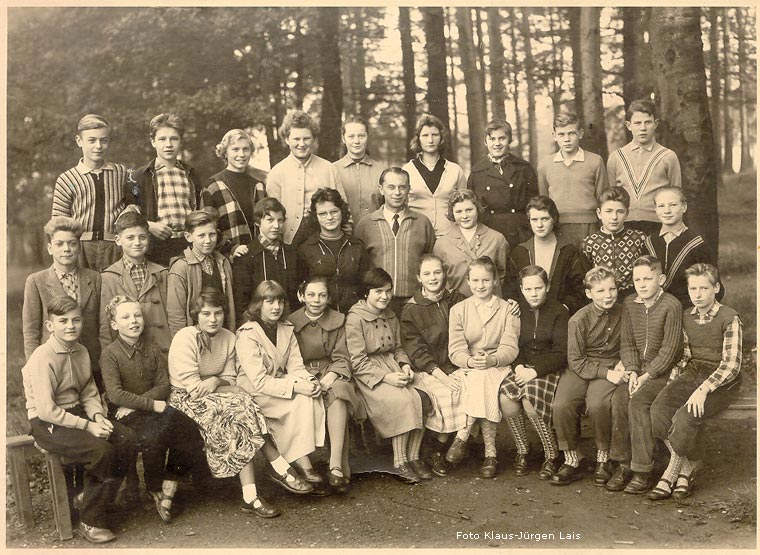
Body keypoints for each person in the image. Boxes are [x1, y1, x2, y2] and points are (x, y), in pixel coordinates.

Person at [168, 288, 313, 519]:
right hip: (186, 399)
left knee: (244, 405)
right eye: (206, 314)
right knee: (239, 409)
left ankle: (251, 494)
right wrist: (222, 384)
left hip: (220, 395)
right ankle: (278, 467)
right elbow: (195, 389)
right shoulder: (185, 337)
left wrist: (216, 381)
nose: (213, 319)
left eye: (218, 313)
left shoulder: (228, 337)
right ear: (196, 315)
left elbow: (230, 378)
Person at [22, 296, 136, 543]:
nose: (70, 326)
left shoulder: (81, 350)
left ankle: (91, 498)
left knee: (127, 438)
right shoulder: (43, 357)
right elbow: (46, 410)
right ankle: (90, 522)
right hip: (47, 423)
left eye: (75, 320)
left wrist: (97, 416)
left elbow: (88, 391)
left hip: (78, 414)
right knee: (101, 451)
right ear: (50, 325)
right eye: (63, 321)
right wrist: (88, 426)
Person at [100, 296, 206, 523]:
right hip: (122, 415)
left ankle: (170, 483)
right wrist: (146, 404)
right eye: (125, 317)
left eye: (137, 315)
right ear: (114, 324)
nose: (133, 321)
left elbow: (163, 385)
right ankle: (154, 487)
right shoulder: (110, 354)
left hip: (146, 408)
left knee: (188, 428)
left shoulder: (152, 348)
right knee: (154, 436)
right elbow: (115, 394)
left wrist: (140, 403)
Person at [649, 264, 743, 501]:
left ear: (716, 288)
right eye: (693, 289)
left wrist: (703, 390)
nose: (698, 294)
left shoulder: (729, 317)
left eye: (704, 288)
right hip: (694, 372)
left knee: (686, 416)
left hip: (722, 382)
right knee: (659, 410)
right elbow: (685, 358)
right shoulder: (686, 317)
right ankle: (688, 464)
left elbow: (731, 365)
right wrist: (673, 385)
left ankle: (673, 473)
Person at [235, 281, 327, 490]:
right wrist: (296, 387)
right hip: (254, 389)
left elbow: (295, 365)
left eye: (280, 301)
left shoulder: (285, 328)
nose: (276, 307)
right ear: (258, 304)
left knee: (309, 396)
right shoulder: (248, 332)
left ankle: (300, 457)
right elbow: (258, 380)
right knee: (296, 402)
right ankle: (297, 461)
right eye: (269, 301)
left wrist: (309, 381)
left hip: (278, 382)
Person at [606, 255, 683, 494]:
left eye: (648, 279)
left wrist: (646, 375)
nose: (642, 284)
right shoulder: (630, 303)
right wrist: (630, 371)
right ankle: (623, 464)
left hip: (661, 373)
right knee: (619, 399)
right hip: (636, 371)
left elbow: (670, 350)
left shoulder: (671, 305)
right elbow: (627, 343)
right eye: (637, 279)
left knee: (638, 403)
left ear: (660, 279)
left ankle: (642, 470)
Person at [345, 268, 426, 483]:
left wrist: (405, 365)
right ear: (366, 292)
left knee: (423, 395)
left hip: (392, 365)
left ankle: (413, 456)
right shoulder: (356, 318)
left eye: (388, 291)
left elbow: (398, 347)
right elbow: (357, 361)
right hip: (369, 374)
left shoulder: (390, 314)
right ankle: (399, 462)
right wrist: (386, 377)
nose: (384, 296)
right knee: (400, 400)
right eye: (378, 291)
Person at [446, 257, 520, 479]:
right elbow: (456, 349)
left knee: (484, 377)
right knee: (480, 377)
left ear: (495, 281)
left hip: (498, 366)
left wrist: (492, 360)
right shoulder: (459, 310)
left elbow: (510, 347)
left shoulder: (508, 309)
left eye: (486, 280)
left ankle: (462, 436)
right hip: (470, 366)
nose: (480, 285)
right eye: (475, 280)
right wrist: (470, 361)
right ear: (468, 281)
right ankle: (491, 453)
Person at [289, 277, 364, 492]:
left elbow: (343, 356)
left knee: (338, 392)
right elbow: (290, 359)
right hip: (301, 372)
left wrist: (332, 375)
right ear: (301, 296)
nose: (316, 300)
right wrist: (306, 378)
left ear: (329, 298)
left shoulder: (339, 320)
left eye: (322, 295)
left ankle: (336, 465)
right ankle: (307, 467)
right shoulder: (290, 322)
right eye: (311, 295)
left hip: (331, 370)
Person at [550, 266, 622, 486]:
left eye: (612, 289)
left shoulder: (624, 312)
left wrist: (619, 366)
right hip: (582, 366)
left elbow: (630, 345)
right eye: (600, 291)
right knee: (561, 404)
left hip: (611, 364)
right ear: (589, 293)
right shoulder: (579, 320)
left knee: (598, 403)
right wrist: (605, 373)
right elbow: (576, 360)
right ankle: (571, 459)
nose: (608, 295)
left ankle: (603, 458)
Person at [400, 254, 467, 477]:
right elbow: (416, 349)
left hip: (457, 363)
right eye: (427, 273)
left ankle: (452, 443)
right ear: (419, 277)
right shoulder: (412, 309)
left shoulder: (457, 299)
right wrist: (441, 375)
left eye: (437, 272)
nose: (433, 277)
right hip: (429, 368)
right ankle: (434, 448)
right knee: (444, 394)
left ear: (444, 274)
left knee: (472, 389)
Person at [499, 265, 568, 480]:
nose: (534, 293)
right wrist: (518, 366)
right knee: (506, 397)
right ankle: (523, 449)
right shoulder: (517, 311)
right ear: (521, 289)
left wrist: (535, 371)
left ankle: (551, 453)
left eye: (538, 288)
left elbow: (561, 352)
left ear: (547, 286)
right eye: (528, 289)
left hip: (549, 369)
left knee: (530, 398)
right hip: (523, 368)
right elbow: (512, 344)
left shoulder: (559, 312)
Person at [23, 217, 103, 388]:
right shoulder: (36, 281)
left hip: (90, 360)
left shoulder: (94, 278)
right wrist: (34, 368)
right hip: (54, 361)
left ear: (79, 247)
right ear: (50, 248)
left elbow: (101, 324)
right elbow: (31, 331)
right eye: (59, 244)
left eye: (72, 244)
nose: (66, 249)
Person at [353, 167, 436, 317]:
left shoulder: (422, 223)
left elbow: (430, 261)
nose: (397, 193)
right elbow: (359, 268)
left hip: (415, 303)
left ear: (408, 189)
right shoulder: (366, 224)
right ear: (381, 189)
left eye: (402, 187)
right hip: (378, 304)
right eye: (391, 187)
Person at [51, 114, 129, 271]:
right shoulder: (67, 178)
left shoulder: (121, 172)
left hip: (115, 247)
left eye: (103, 140)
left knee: (114, 292)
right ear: (79, 141)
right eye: (92, 140)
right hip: (81, 248)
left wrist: (130, 210)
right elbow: (58, 223)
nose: (98, 146)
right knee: (84, 292)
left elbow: (133, 203)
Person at [126, 113, 203, 266]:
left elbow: (199, 208)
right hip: (156, 245)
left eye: (174, 139)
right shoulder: (141, 176)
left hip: (188, 244)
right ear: (153, 141)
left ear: (181, 142)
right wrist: (149, 225)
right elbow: (129, 214)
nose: (168, 144)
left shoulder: (190, 173)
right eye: (162, 139)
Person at [265, 111, 348, 248]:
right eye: (296, 139)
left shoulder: (329, 168)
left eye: (306, 138)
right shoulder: (277, 173)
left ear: (313, 139)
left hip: (324, 236)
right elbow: (271, 212)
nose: (302, 144)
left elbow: (343, 206)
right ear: (287, 139)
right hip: (289, 239)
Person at [607, 99, 682, 236]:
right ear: (628, 126)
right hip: (624, 224)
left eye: (647, 122)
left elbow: (676, 196)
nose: (642, 128)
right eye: (637, 123)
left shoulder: (668, 156)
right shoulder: (616, 157)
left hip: (658, 224)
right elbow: (611, 198)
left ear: (656, 124)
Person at [100, 211, 171, 354]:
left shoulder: (163, 273)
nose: (137, 243)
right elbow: (105, 327)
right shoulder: (108, 277)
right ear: (118, 240)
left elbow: (173, 315)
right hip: (127, 356)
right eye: (130, 238)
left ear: (149, 239)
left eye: (142, 237)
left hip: (162, 350)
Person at [505, 195, 588, 315]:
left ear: (553, 219)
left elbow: (581, 287)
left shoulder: (569, 251)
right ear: (529, 221)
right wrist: (513, 302)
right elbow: (510, 288)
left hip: (561, 317)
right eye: (534, 220)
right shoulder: (520, 252)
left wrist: (566, 307)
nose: (539, 225)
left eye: (544, 219)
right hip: (528, 318)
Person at [537, 112, 608, 248]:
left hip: (589, 226)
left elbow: (602, 199)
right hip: (557, 227)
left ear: (580, 134)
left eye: (571, 133)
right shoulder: (545, 165)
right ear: (554, 136)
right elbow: (543, 201)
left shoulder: (595, 161)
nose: (567, 139)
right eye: (561, 134)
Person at [297, 187, 371, 314]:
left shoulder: (357, 246)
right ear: (316, 217)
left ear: (342, 212)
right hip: (320, 317)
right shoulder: (306, 249)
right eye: (323, 214)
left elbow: (366, 284)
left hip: (353, 315)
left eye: (334, 212)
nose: (329, 217)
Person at [644, 187, 720, 307]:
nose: (667, 211)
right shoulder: (649, 242)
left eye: (673, 205)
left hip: (687, 307)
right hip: (654, 308)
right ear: (655, 209)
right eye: (661, 206)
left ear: (684, 207)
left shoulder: (697, 243)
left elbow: (712, 282)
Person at [468, 119, 538, 248]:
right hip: (488, 232)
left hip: (519, 231)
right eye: (492, 139)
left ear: (509, 140)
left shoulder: (523, 168)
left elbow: (534, 204)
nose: (497, 144)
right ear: (485, 141)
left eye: (502, 138)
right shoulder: (476, 172)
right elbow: (472, 208)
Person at [167, 209, 235, 337]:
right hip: (194, 338)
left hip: (221, 334)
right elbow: (176, 315)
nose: (208, 240)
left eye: (212, 234)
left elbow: (230, 306)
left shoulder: (223, 263)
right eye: (201, 235)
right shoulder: (181, 268)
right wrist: (184, 343)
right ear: (188, 237)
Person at [201, 129, 267, 259]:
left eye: (246, 149)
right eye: (235, 149)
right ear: (225, 153)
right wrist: (231, 248)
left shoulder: (258, 185)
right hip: (228, 258)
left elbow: (266, 222)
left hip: (259, 256)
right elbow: (205, 226)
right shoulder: (213, 186)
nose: (241, 154)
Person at [232, 197, 299, 324]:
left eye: (280, 220)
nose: (276, 226)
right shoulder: (246, 255)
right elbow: (241, 301)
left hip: (288, 322)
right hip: (257, 324)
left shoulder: (291, 254)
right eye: (270, 220)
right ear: (258, 222)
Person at [433, 189, 509, 297]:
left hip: (491, 304)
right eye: (458, 212)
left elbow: (503, 275)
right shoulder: (442, 244)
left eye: (469, 210)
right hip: (456, 306)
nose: (464, 216)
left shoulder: (497, 239)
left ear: (477, 210)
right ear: (452, 214)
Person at [402, 114, 466, 238]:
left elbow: (464, 205)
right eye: (425, 135)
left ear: (441, 137)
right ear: (418, 139)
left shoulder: (455, 170)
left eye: (435, 135)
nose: (430, 140)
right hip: (415, 235)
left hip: (450, 237)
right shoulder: (407, 170)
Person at [581, 187, 647, 301]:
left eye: (620, 212)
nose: (614, 217)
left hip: (633, 299)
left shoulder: (639, 238)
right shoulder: (589, 243)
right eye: (608, 211)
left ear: (627, 214)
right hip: (603, 300)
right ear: (599, 213)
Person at [333, 115, 385, 223]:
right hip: (343, 234)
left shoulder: (381, 171)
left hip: (375, 233)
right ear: (343, 138)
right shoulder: (332, 170)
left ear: (367, 136)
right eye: (351, 136)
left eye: (361, 136)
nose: (356, 141)